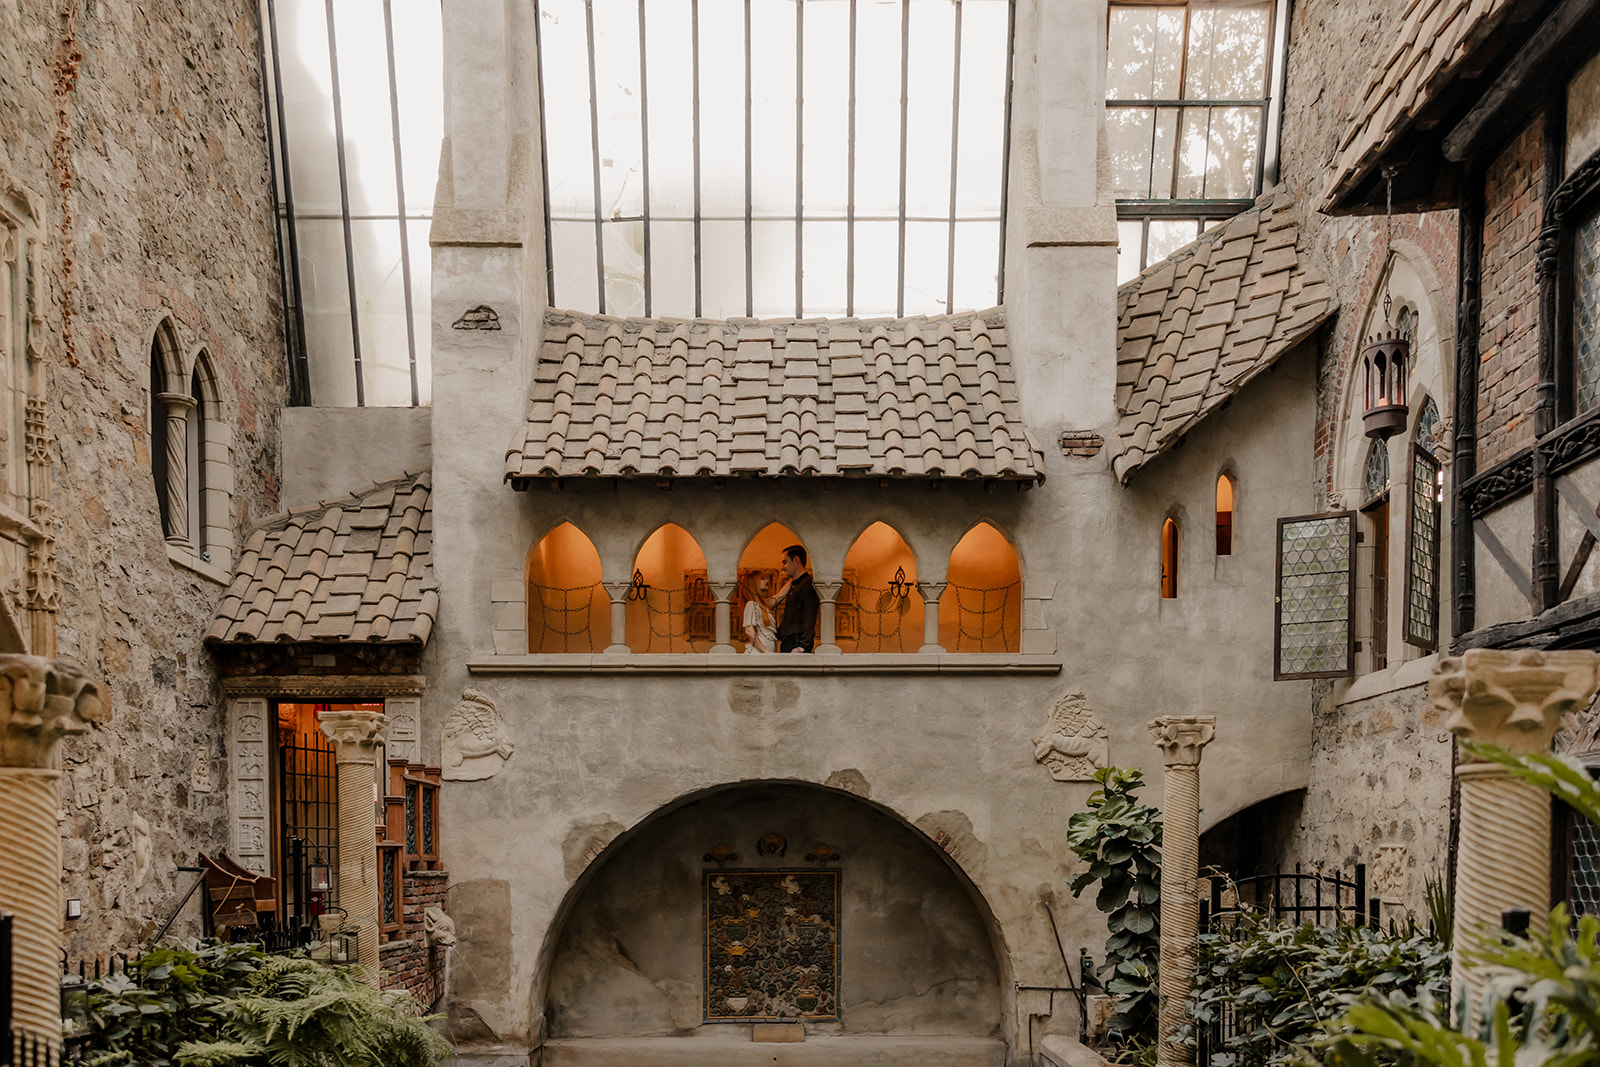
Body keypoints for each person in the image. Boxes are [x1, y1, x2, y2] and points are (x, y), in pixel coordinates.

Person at [774, 544, 819, 653]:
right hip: (789, 641)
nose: (782, 567)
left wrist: (802, 646)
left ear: (796, 560)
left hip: (796, 643)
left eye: (785, 562)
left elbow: (810, 614)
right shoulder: (794, 584)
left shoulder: (807, 583)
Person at [741, 572, 778, 654]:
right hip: (757, 653)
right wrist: (765, 650)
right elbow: (749, 630)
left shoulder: (763, 606)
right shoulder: (751, 604)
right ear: (753, 583)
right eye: (762, 579)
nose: (767, 580)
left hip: (763, 654)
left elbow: (779, 596)